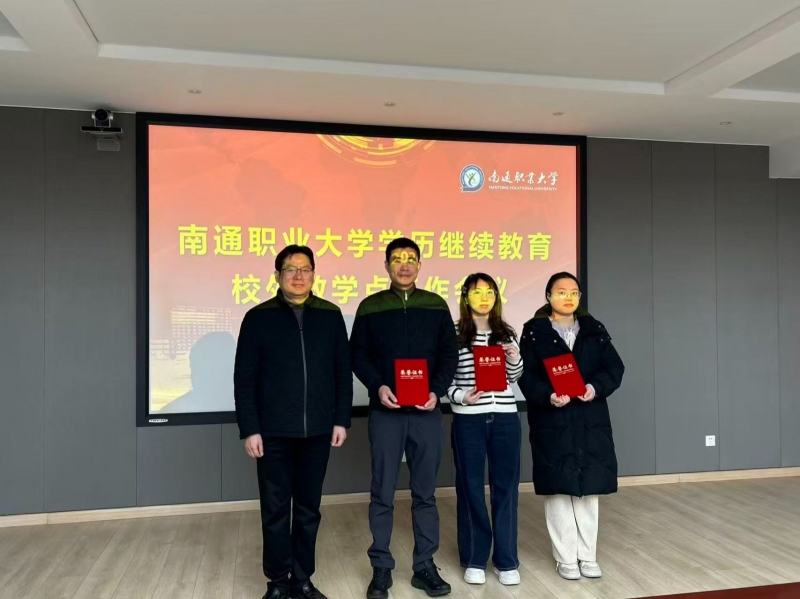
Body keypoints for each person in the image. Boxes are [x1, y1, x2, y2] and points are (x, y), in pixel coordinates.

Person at [234, 245, 353, 599]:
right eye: (290, 269)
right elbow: (244, 379)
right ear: (277, 275)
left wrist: (341, 420)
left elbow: (342, 373)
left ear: (314, 274)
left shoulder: (330, 315)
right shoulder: (258, 317)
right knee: (274, 510)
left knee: (308, 509)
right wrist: (250, 428)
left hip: (318, 430)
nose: (298, 276)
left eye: (305, 269)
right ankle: (277, 581)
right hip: (272, 432)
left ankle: (301, 578)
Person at [350, 237, 459, 599]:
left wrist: (437, 391)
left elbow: (449, 355)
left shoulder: (436, 304)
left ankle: (424, 566)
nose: (405, 264)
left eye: (411, 258)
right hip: (387, 412)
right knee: (382, 491)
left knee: (425, 493)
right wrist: (378, 385)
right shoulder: (370, 306)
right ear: (386, 266)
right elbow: (358, 355)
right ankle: (381, 567)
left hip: (426, 412)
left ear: (420, 264)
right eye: (397, 259)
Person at [517, 272, 624, 581]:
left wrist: (594, 387)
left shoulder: (594, 329)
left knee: (589, 491)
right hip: (553, 420)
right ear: (548, 296)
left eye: (574, 292)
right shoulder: (534, 332)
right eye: (561, 291)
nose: (568, 297)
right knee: (558, 490)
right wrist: (548, 395)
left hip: (590, 420)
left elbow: (614, 368)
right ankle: (565, 558)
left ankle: (588, 556)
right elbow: (526, 375)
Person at [446, 273, 524, 586]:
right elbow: (443, 378)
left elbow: (514, 377)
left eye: (489, 291)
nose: (483, 297)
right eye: (476, 292)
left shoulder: (506, 331)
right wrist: (461, 396)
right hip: (469, 418)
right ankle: (475, 558)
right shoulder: (454, 334)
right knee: (470, 488)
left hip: (505, 416)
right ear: (465, 297)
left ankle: (506, 560)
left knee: (507, 488)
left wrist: (514, 357)